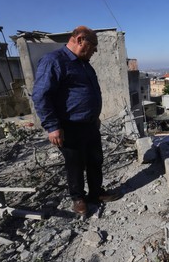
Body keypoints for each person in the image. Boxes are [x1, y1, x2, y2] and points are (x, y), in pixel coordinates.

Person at [32, 26, 122, 216]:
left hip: (89, 124)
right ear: (80, 40)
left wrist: (95, 116)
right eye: (93, 45)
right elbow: (41, 95)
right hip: (69, 126)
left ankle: (96, 193)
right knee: (75, 164)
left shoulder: (84, 63)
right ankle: (78, 198)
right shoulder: (54, 61)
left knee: (95, 160)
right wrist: (52, 126)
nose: (95, 50)